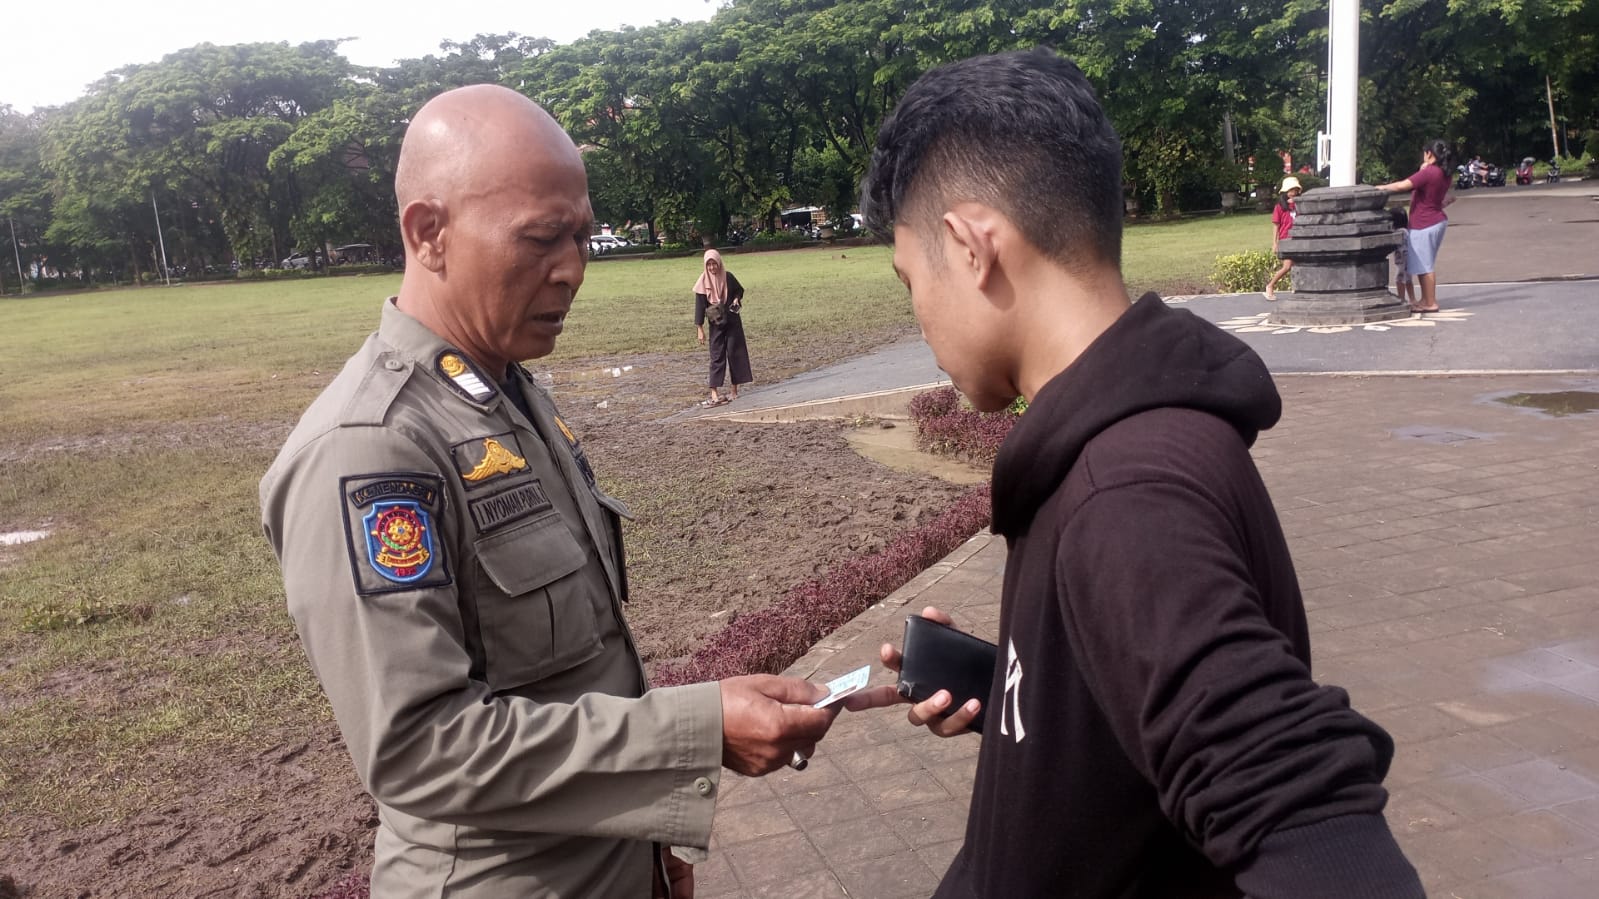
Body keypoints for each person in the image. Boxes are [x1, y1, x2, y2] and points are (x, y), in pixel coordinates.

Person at [844, 49, 1425, 899]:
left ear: (968, 246)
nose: (918, 316)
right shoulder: (1136, 445)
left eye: (909, 280)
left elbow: (1301, 810)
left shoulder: (1122, 496)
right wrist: (1024, 690)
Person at [259, 84, 842, 899]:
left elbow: (572, 677)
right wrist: (695, 730)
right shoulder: (371, 448)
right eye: (540, 239)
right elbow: (421, 748)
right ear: (428, 234)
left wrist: (647, 837)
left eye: (580, 236)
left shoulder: (507, 393)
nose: (571, 269)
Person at [1377, 139, 1454, 314]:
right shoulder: (1444, 173)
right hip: (1436, 220)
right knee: (1423, 263)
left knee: (1424, 264)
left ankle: (1430, 302)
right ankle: (1425, 299)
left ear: (1429, 153)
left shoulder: (1430, 173)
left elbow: (1402, 185)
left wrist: (1380, 187)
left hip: (1424, 223)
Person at [692, 249, 751, 407]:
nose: (712, 267)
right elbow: (699, 307)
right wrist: (700, 329)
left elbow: (739, 290)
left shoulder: (728, 277)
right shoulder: (703, 282)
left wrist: (736, 299)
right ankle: (714, 393)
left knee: (734, 353)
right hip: (715, 324)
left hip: (732, 321)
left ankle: (734, 390)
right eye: (709, 264)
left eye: (714, 264)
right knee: (716, 356)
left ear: (719, 263)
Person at [1263, 175, 1302, 301]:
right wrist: (1275, 243)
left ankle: (1297, 288)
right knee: (1287, 266)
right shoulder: (1279, 207)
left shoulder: (1300, 205)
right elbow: (1276, 225)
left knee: (1299, 265)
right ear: (1285, 192)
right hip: (1286, 240)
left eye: (1295, 190)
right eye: (1291, 190)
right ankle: (1270, 286)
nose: (1293, 193)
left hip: (1299, 239)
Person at [1389, 206, 1417, 310]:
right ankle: (1412, 299)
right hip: (1407, 258)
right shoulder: (1406, 231)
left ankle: (1402, 299)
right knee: (1408, 279)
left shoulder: (1399, 232)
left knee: (1400, 278)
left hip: (1402, 259)